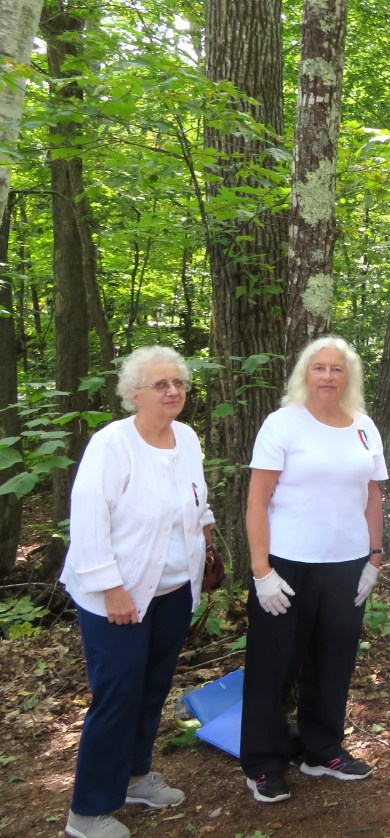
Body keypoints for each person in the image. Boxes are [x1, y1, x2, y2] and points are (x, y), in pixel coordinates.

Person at [61, 346, 215, 838]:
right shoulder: (113, 445)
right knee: (117, 697)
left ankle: (134, 777)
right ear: (134, 395)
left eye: (179, 383)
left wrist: (207, 539)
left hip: (171, 592)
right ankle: (86, 812)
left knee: (150, 692)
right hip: (119, 596)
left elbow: (195, 499)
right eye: (160, 385)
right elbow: (89, 520)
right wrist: (111, 587)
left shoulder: (187, 438)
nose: (173, 392)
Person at [241, 336, 387, 804]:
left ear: (350, 378)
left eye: (337, 369)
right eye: (318, 368)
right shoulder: (283, 424)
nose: (327, 376)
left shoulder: (363, 427)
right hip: (287, 565)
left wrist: (375, 557)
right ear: (305, 373)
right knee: (274, 665)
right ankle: (263, 763)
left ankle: (321, 749)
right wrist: (261, 570)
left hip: (346, 565)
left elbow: (372, 496)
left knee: (334, 661)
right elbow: (257, 501)